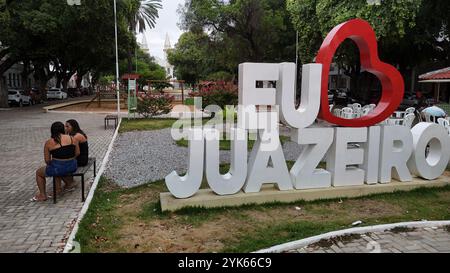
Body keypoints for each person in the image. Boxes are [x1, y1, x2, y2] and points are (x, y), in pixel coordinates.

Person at [32, 122, 79, 202]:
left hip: (58, 168)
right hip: (73, 166)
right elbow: (77, 153)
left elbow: (47, 160)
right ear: (63, 129)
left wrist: (55, 163)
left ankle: (42, 195)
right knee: (57, 168)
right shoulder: (72, 138)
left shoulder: (49, 142)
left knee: (39, 173)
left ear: (52, 131)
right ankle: (58, 189)